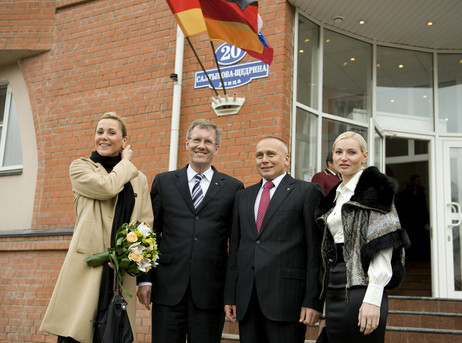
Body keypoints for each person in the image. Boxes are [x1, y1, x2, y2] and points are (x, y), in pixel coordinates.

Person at [40, 112, 154, 343]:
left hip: (120, 272)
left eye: (112, 133)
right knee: (77, 334)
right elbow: (107, 187)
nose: (104, 137)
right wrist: (126, 163)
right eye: (100, 131)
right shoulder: (81, 168)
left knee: (112, 335)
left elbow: (145, 225)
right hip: (87, 266)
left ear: (123, 141)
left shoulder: (138, 179)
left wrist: (136, 265)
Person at [136, 119, 243, 343]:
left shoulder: (233, 188)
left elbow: (236, 245)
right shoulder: (164, 182)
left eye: (208, 141)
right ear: (186, 143)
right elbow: (150, 233)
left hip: (210, 292)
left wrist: (231, 292)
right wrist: (145, 280)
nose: (201, 146)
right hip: (167, 288)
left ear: (216, 148)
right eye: (196, 140)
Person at [224, 136, 324, 343]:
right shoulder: (243, 196)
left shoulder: (307, 192)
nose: (264, 160)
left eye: (271, 154)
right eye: (259, 155)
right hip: (247, 300)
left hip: (288, 301)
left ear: (286, 159)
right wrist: (231, 296)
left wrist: (313, 300)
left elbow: (315, 251)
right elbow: (235, 248)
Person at [315, 131, 410, 343]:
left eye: (351, 152)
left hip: (362, 285)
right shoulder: (336, 195)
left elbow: (383, 246)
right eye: (338, 152)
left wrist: (373, 298)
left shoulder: (376, 190)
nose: (344, 157)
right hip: (335, 285)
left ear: (364, 156)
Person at [395, 175, 430, 261]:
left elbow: (424, 207)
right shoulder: (405, 192)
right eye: (415, 181)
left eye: (418, 181)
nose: (417, 183)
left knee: (419, 239)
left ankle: (419, 257)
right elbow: (403, 206)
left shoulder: (422, 192)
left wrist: (425, 219)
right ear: (411, 181)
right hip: (409, 221)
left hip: (419, 221)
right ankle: (410, 258)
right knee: (409, 239)